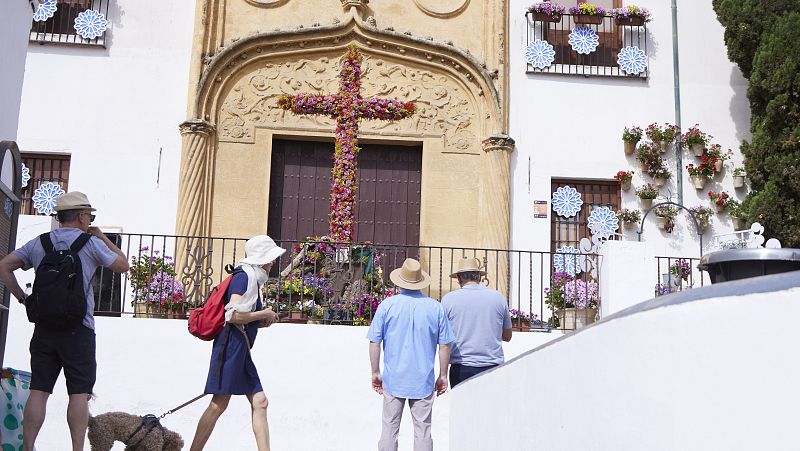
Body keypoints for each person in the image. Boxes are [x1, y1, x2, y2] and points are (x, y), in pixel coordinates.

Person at [0, 191, 130, 451]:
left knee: (39, 389)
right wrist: (102, 236)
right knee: (79, 393)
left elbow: (4, 265)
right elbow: (123, 265)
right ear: (82, 216)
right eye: (89, 215)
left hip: (44, 329)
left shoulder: (40, 243)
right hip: (79, 329)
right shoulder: (89, 244)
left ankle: (27, 447)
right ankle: (76, 449)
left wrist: (22, 298)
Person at [190, 235, 284, 451]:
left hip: (239, 347)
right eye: (270, 259)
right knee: (218, 404)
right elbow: (231, 316)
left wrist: (260, 322)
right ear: (261, 259)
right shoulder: (245, 277)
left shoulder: (250, 276)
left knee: (260, 402)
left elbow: (242, 318)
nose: (272, 263)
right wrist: (264, 312)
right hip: (231, 346)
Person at [367, 258, 454, 451]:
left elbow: (375, 342)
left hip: (393, 378)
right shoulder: (435, 307)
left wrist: (375, 371)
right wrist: (443, 375)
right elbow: (445, 345)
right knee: (423, 431)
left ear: (400, 281)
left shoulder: (387, 306)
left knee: (389, 428)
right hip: (423, 379)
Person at [441, 257, 512, 388]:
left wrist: (443, 374)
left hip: (461, 367)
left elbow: (443, 339)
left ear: (459, 278)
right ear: (479, 277)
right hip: (492, 365)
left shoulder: (448, 300)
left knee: (462, 407)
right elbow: (508, 336)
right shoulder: (498, 298)